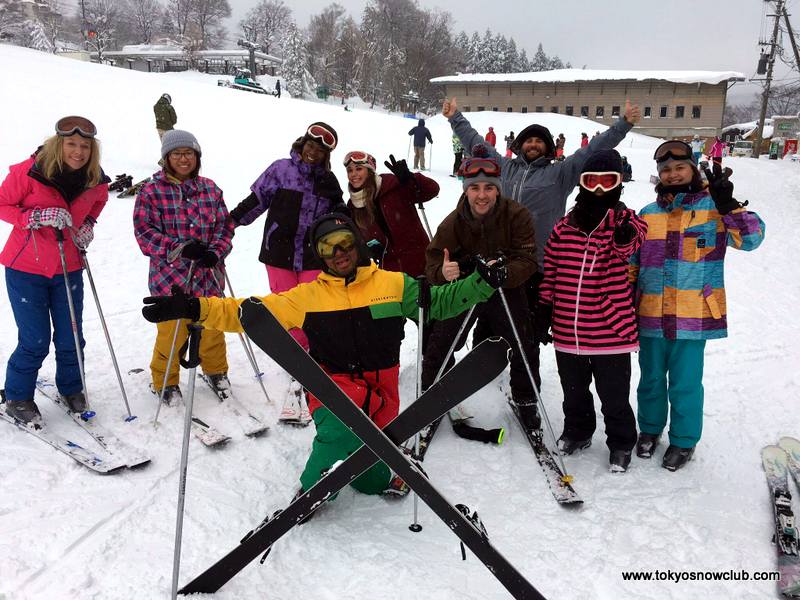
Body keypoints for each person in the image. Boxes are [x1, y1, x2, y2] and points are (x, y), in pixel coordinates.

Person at [141, 213, 508, 496]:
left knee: (369, 470)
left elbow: (439, 304)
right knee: (337, 434)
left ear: (357, 242)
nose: (338, 253)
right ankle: (312, 491)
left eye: (344, 242)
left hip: (383, 393)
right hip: (331, 387)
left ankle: (371, 476)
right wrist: (195, 307)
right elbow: (248, 312)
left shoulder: (393, 284)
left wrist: (480, 283)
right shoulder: (308, 296)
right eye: (327, 247)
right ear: (319, 254)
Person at [442, 95, 641, 383]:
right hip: (499, 262)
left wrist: (623, 125)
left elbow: (593, 151)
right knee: (488, 321)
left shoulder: (560, 173)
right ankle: (486, 375)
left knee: (527, 330)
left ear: (547, 147)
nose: (533, 144)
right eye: (528, 140)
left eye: (539, 141)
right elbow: (478, 143)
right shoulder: (504, 168)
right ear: (519, 145)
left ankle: (524, 384)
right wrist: (454, 117)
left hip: (537, 266)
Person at [630, 140, 765, 471]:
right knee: (649, 379)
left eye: (680, 168)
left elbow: (751, 239)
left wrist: (728, 204)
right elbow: (631, 265)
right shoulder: (648, 215)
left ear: (692, 168)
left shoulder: (714, 209)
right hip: (650, 313)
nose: (673, 174)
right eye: (666, 170)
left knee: (685, 382)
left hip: (694, 316)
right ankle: (649, 430)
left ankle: (684, 440)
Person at [535, 150, 647, 473]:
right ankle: (578, 431)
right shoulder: (564, 228)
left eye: (607, 182)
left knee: (614, 395)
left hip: (610, 331)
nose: (599, 189)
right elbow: (552, 272)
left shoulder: (625, 221)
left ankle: (622, 442)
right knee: (574, 391)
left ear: (619, 184)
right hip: (569, 332)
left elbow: (634, 240)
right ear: (582, 185)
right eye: (591, 182)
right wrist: (544, 308)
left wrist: (623, 235)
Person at [422, 145, 540, 430]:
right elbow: (432, 261)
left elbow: (528, 259)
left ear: (498, 189)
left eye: (489, 187)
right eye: (475, 188)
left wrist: (505, 272)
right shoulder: (453, 221)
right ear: (466, 190)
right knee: (443, 338)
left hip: (505, 284)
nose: (482, 195)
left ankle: (526, 398)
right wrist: (443, 271)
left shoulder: (517, 214)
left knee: (523, 339)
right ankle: (432, 396)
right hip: (466, 285)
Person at [0, 116, 109, 425]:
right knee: (35, 339)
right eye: (71, 144)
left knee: (71, 336)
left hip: (69, 266)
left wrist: (87, 225)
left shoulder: (94, 178)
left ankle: (72, 388)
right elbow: (2, 204)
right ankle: (18, 396)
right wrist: (31, 217)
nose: (78, 152)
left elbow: (98, 202)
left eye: (84, 146)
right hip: (25, 268)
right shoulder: (29, 171)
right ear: (58, 144)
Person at [133, 130, 234, 405]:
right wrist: (179, 248)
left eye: (188, 153)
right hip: (170, 280)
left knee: (213, 327)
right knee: (173, 332)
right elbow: (144, 233)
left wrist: (215, 252)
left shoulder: (210, 189)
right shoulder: (151, 191)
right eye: (176, 154)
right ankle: (165, 380)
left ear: (197, 157)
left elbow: (225, 227)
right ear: (166, 158)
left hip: (208, 276)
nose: (183, 159)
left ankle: (216, 371)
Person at [228, 122, 345, 351]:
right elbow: (257, 200)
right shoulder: (281, 169)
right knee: (287, 307)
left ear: (326, 156)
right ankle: (299, 354)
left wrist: (341, 214)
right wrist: (231, 222)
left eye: (320, 151)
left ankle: (313, 352)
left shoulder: (328, 181)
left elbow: (339, 210)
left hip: (313, 255)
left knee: (311, 306)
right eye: (311, 146)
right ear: (303, 143)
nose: (313, 153)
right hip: (279, 252)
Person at [344, 150, 439, 277]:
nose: (354, 174)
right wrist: (368, 249)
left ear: (370, 170)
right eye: (350, 170)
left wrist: (411, 179)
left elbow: (432, 190)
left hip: (422, 263)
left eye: (359, 169)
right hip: (390, 273)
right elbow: (357, 240)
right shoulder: (353, 206)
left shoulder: (392, 185)